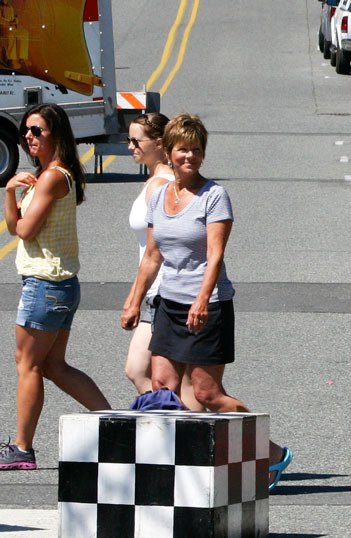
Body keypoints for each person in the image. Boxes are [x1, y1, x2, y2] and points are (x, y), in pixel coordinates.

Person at [120, 113, 292, 491]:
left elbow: (215, 257)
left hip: (208, 305)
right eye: (183, 149)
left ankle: (272, 452)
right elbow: (152, 255)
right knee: (162, 387)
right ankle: (181, 467)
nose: (190, 157)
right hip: (168, 303)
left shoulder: (214, 196)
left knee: (206, 394)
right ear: (169, 151)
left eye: (197, 150)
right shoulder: (160, 195)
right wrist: (134, 300)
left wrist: (201, 300)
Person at [1, 103, 111, 470]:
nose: (29, 137)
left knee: (28, 364)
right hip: (59, 285)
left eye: (38, 131)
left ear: (56, 134)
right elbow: (18, 228)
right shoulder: (51, 174)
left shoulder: (52, 177)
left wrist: (10, 193)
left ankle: (22, 449)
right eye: (26, 131)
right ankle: (115, 422)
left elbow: (24, 230)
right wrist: (11, 192)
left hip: (45, 285)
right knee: (53, 365)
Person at [124, 112, 202, 411]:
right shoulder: (156, 181)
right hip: (156, 290)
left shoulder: (160, 185)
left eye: (136, 141)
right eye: (129, 140)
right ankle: (183, 426)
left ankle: (184, 426)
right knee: (174, 380)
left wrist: (136, 296)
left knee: (146, 372)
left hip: (164, 291)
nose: (130, 146)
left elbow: (160, 249)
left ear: (159, 143)